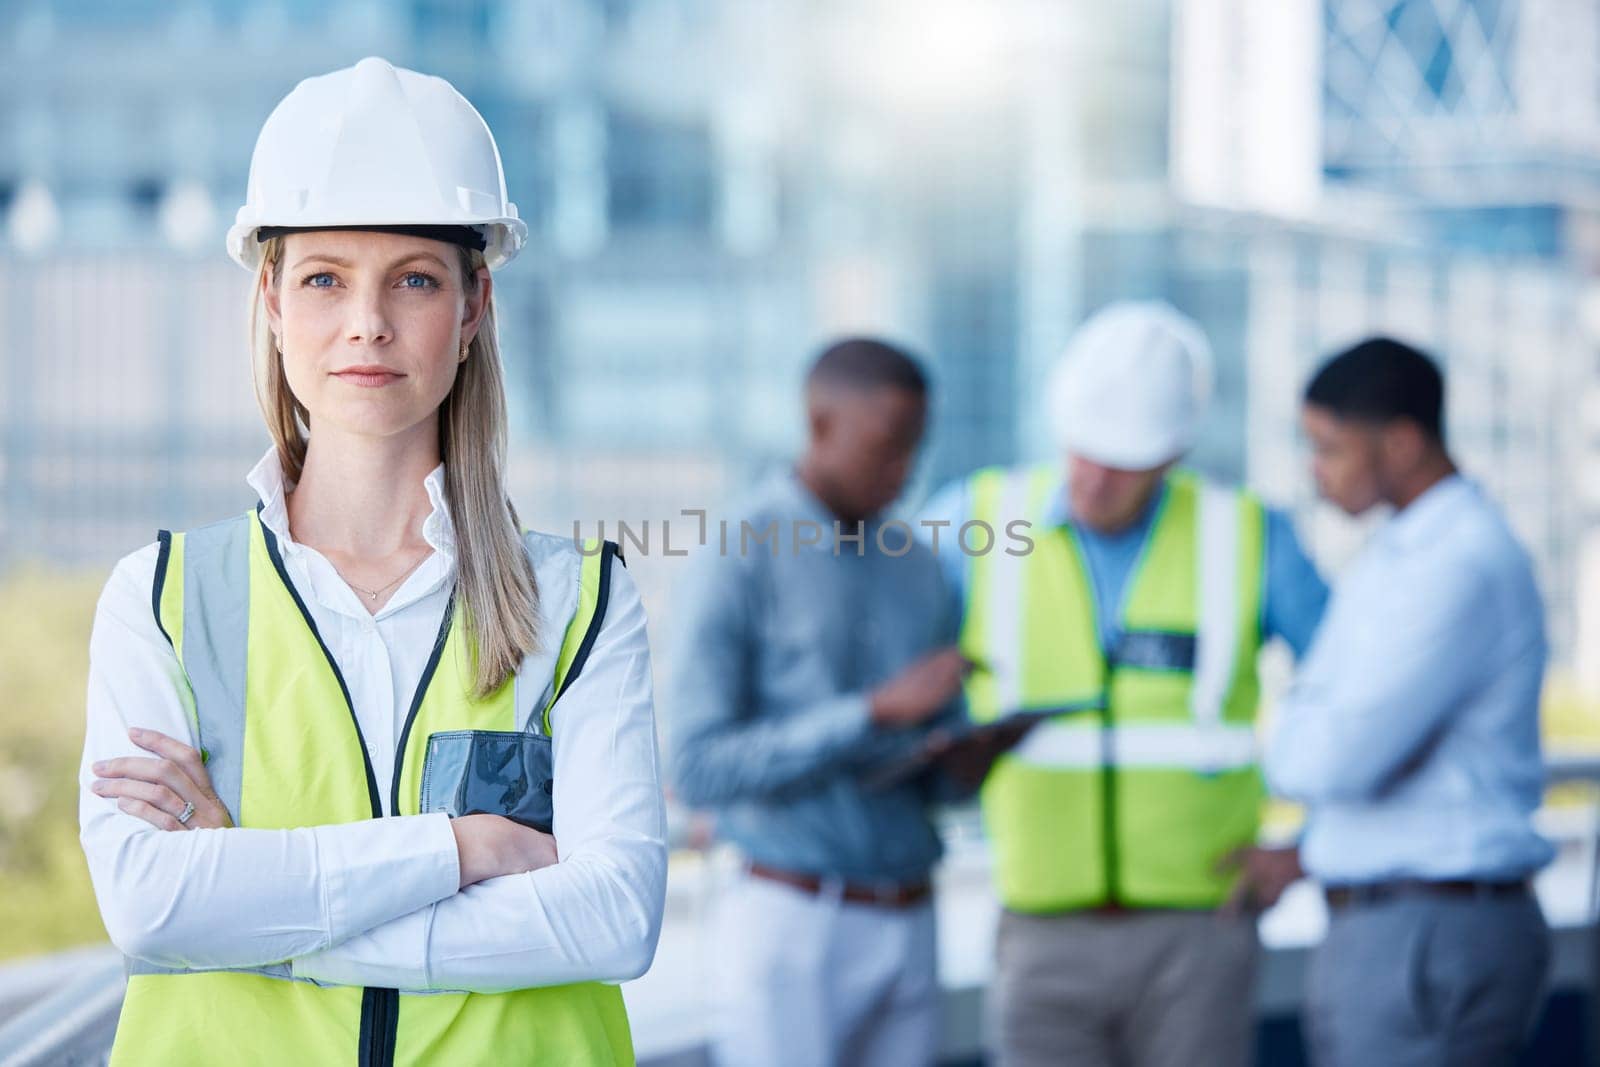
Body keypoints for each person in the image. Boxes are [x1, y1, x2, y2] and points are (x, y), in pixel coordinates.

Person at [79, 58, 667, 1066]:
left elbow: (615, 916)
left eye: (415, 279)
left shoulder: (578, 599)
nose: (368, 322)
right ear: (270, 297)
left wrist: (261, 911)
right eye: (324, 278)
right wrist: (464, 848)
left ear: (475, 302)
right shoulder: (165, 598)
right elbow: (152, 906)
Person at [920, 301, 1329, 1067]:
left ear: (1172, 454)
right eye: (1085, 450)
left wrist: (1308, 848)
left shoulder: (1245, 532)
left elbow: (1363, 694)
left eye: (1125, 460)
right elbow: (883, 668)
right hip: (1042, 931)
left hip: (1201, 934)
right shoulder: (974, 520)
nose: (1096, 477)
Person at [665, 338, 968, 1067]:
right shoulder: (739, 550)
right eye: (885, 447)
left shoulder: (923, 567)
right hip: (788, 920)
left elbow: (933, 765)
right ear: (820, 423)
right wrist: (871, 712)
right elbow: (696, 766)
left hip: (913, 912)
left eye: (916, 448)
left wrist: (961, 754)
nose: (903, 472)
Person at [1267, 337, 1554, 1067]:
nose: (1315, 468)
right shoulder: (1402, 552)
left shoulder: (1456, 563)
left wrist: (1307, 719)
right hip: (1400, 922)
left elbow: (1330, 760)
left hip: (1428, 933)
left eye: (1330, 446)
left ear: (1400, 442)